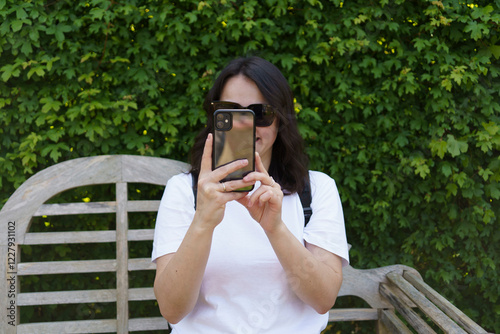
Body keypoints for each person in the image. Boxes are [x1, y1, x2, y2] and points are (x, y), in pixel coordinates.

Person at [152, 56, 349, 333]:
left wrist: (276, 229)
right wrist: (203, 222)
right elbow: (172, 309)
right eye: (230, 111)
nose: (246, 124)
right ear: (214, 117)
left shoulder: (316, 190)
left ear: (281, 120)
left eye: (260, 112)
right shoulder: (185, 191)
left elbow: (323, 298)